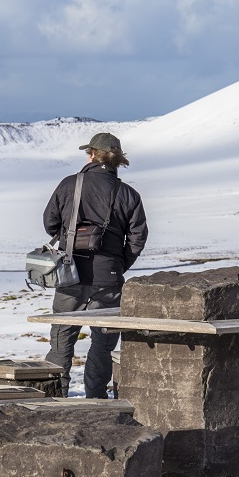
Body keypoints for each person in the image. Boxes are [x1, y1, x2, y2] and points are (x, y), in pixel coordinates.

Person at [43, 131, 148, 398]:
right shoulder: (129, 194)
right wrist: (118, 264)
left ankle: (55, 398)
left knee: (61, 340)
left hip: (69, 276)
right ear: (117, 160)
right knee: (103, 344)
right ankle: (97, 399)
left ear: (91, 155)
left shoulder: (69, 185)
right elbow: (137, 238)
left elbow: (49, 224)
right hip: (109, 279)